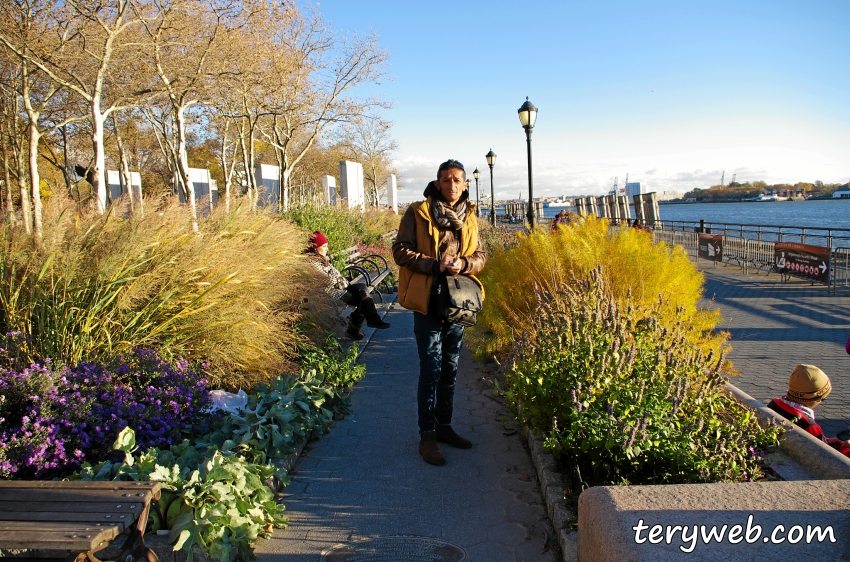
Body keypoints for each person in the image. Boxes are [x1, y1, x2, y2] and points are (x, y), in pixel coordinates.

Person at [392, 159, 487, 466]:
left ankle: (444, 427)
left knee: (450, 367)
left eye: (457, 179)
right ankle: (427, 436)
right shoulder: (418, 212)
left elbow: (481, 255)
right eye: (445, 179)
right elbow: (400, 250)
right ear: (437, 183)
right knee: (431, 368)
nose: (451, 184)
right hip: (428, 300)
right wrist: (434, 265)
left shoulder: (470, 216)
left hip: (458, 301)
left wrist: (465, 264)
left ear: (465, 184)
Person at [304, 231, 390, 340]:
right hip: (333, 293)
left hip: (340, 287)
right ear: (315, 247)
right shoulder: (311, 262)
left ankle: (368, 322)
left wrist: (334, 275)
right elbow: (328, 280)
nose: (327, 249)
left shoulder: (320, 259)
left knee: (362, 288)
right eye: (324, 246)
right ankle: (362, 325)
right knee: (362, 298)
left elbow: (335, 273)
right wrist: (335, 276)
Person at [766, 364, 850, 458]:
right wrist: (845, 448)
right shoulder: (809, 426)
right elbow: (824, 459)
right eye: (822, 399)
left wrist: (828, 441)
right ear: (815, 398)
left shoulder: (774, 404)